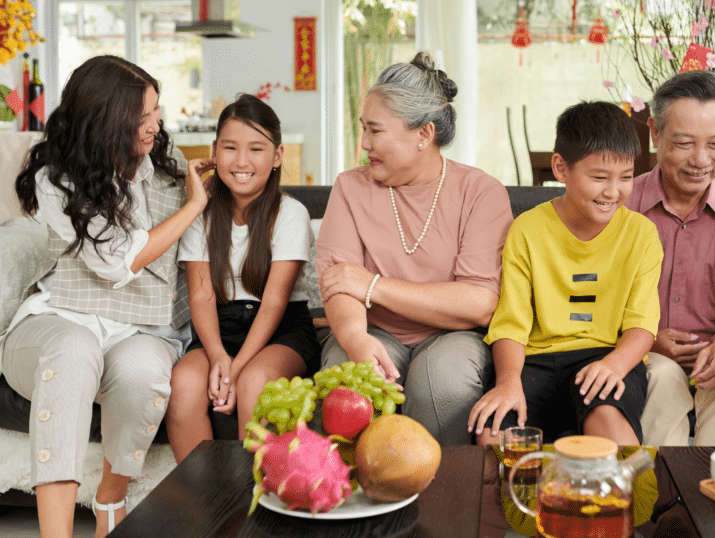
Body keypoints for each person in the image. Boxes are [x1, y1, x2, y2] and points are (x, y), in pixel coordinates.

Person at [3, 56, 206, 538]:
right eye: (142, 117)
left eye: (157, 111)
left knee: (141, 372)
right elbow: (117, 260)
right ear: (106, 121)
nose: (155, 125)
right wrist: (195, 204)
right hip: (61, 320)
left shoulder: (166, 170)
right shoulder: (56, 179)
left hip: (141, 328)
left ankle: (110, 505)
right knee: (74, 350)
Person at [316, 52, 513, 445]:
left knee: (440, 382)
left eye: (375, 131)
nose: (364, 144)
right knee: (348, 377)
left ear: (424, 135)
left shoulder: (480, 192)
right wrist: (355, 337)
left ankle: (442, 501)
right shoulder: (350, 187)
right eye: (363, 129)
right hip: (372, 327)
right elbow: (338, 283)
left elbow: (478, 302)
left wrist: (372, 285)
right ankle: (351, 500)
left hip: (452, 335)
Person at [468, 101, 663, 446]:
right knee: (494, 430)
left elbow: (642, 324)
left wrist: (615, 366)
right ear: (561, 168)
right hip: (534, 361)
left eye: (626, 177)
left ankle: (618, 498)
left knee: (609, 425)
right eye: (599, 177)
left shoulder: (642, 234)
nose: (613, 191)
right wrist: (509, 381)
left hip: (605, 356)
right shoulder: (527, 229)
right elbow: (511, 322)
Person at [167, 94, 320, 461]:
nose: (242, 161)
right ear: (214, 152)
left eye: (256, 149)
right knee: (184, 385)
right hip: (217, 327)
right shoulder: (199, 210)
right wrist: (219, 354)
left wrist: (235, 369)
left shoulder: (290, 213)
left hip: (281, 327)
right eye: (230, 147)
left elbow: (274, 301)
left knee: (254, 385)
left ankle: (258, 506)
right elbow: (202, 295)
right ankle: (208, 507)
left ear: (278, 156)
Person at [625, 70, 715, 447]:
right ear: (655, 133)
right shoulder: (620, 206)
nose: (701, 160)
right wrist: (648, 341)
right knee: (663, 375)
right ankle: (660, 498)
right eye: (684, 143)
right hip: (641, 353)